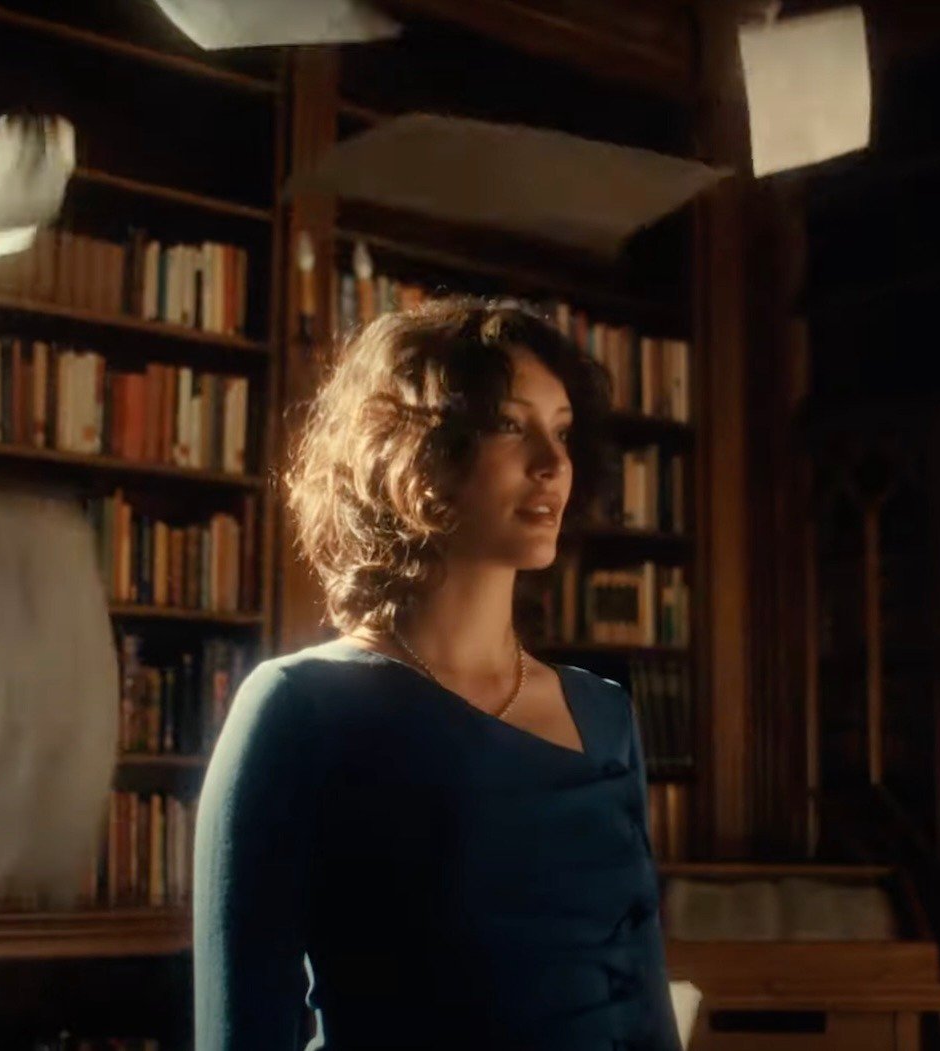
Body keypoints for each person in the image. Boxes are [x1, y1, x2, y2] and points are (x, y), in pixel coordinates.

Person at [193, 298, 680, 1050]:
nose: (552, 462)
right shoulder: (301, 710)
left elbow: (645, 1013)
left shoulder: (604, 713)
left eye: (563, 430)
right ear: (420, 452)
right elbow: (239, 1032)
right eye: (512, 425)